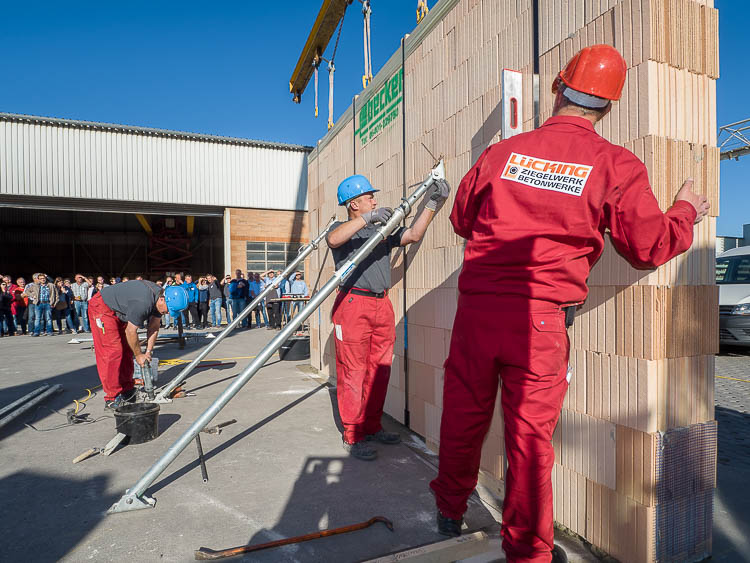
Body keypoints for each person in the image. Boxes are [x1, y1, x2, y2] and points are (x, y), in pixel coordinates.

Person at [428, 45, 710, 563]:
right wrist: (686, 209)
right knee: (529, 443)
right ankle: (529, 554)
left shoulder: (502, 153)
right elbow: (648, 248)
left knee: (463, 415)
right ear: (608, 107)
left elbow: (462, 218)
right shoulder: (614, 163)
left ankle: (449, 509)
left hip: (478, 310)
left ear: (558, 87)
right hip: (540, 322)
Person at [327, 172, 450, 461]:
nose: (375, 201)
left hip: (381, 304)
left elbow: (413, 235)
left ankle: (372, 425)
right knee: (353, 372)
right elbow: (333, 240)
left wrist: (432, 203)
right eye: (370, 197)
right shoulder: (343, 227)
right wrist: (367, 220)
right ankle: (353, 434)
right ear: (354, 203)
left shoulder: (380, 230)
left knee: (380, 368)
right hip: (353, 303)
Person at [88, 279, 188, 409]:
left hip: (120, 311)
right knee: (113, 351)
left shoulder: (159, 298)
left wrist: (148, 352)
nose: (168, 313)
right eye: (169, 310)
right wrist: (139, 355)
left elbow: (154, 326)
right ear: (163, 299)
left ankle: (127, 388)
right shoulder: (143, 303)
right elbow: (131, 331)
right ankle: (112, 397)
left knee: (127, 349)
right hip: (102, 307)